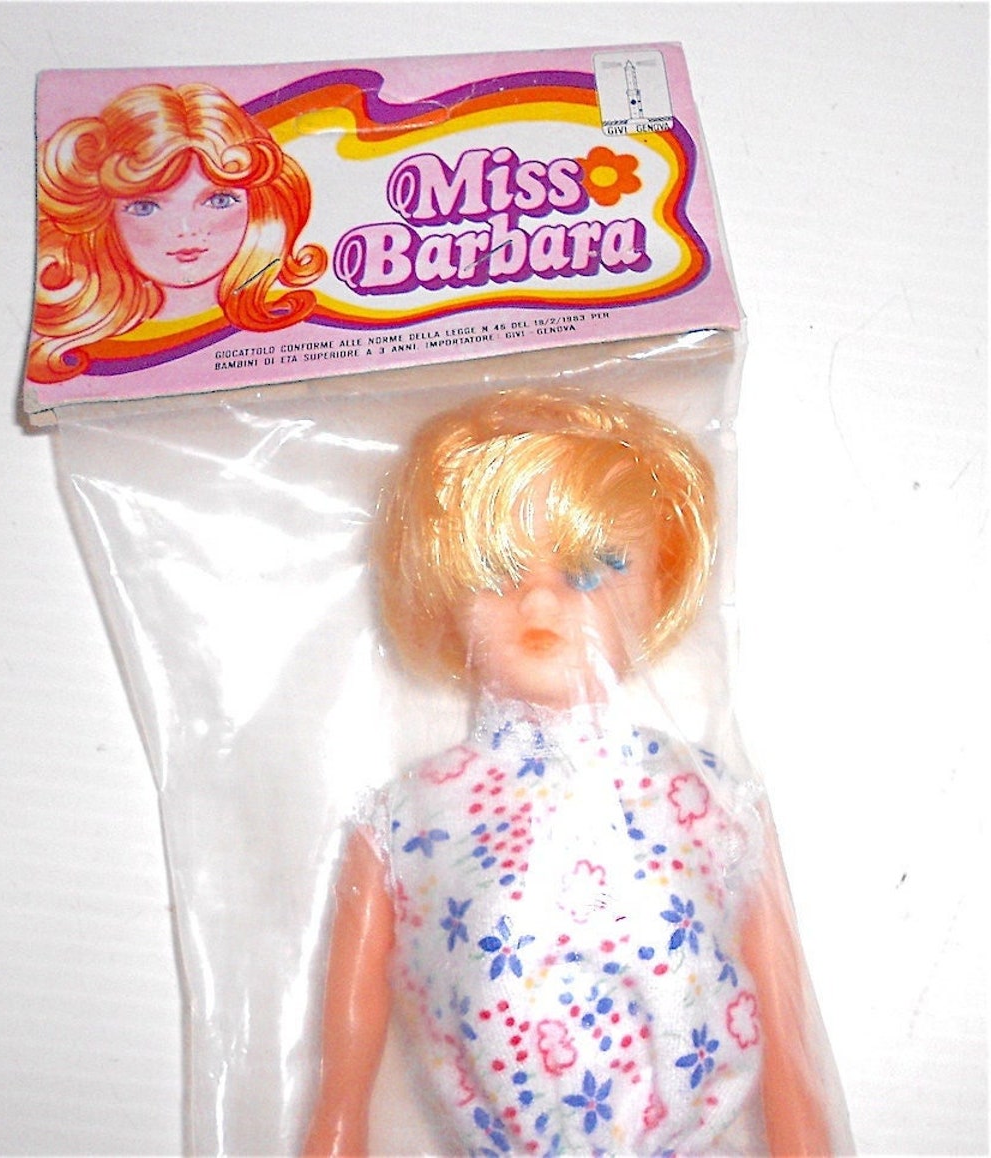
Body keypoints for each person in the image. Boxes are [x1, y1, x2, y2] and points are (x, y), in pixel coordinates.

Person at [305, 389, 834, 1156]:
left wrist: (804, 1137)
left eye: (593, 568)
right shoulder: (408, 820)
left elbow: (788, 1041)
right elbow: (346, 1064)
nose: (540, 602)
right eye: (497, 570)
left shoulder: (709, 801)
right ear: (444, 589)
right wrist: (335, 1127)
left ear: (659, 582)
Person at [28, 82, 327, 384]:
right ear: (104, 215)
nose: (186, 230)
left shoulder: (281, 316)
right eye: (145, 206)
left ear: (258, 205)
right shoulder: (91, 336)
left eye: (219, 200)